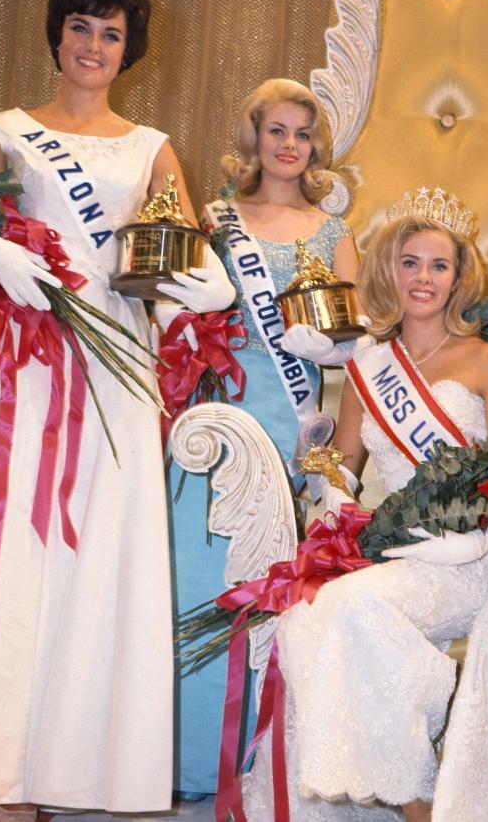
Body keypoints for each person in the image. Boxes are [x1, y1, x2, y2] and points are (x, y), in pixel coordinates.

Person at [0, 0, 233, 819]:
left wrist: (203, 284)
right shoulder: (7, 129)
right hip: (13, 364)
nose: (93, 46)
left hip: (109, 367)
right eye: (81, 26)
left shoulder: (152, 149)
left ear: (128, 48)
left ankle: (68, 766)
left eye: (110, 32)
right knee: (6, 550)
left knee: (92, 553)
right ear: (56, 33)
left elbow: (170, 260)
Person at [245, 191, 488, 821]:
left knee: (350, 605)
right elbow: (341, 463)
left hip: (480, 553)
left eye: (438, 265)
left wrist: (468, 539)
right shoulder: (369, 365)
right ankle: (401, 796)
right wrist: (334, 500)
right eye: (410, 263)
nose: (424, 278)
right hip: (400, 550)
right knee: (306, 617)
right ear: (390, 272)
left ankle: (416, 803)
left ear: (459, 276)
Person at [164, 78, 359, 798]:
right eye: (276, 130)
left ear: (315, 147)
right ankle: (181, 758)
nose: (288, 146)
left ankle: (249, 767)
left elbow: (354, 337)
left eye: (302, 134)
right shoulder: (216, 219)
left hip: (289, 427)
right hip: (210, 423)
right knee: (196, 582)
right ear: (255, 138)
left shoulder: (335, 232)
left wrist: (330, 346)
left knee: (263, 595)